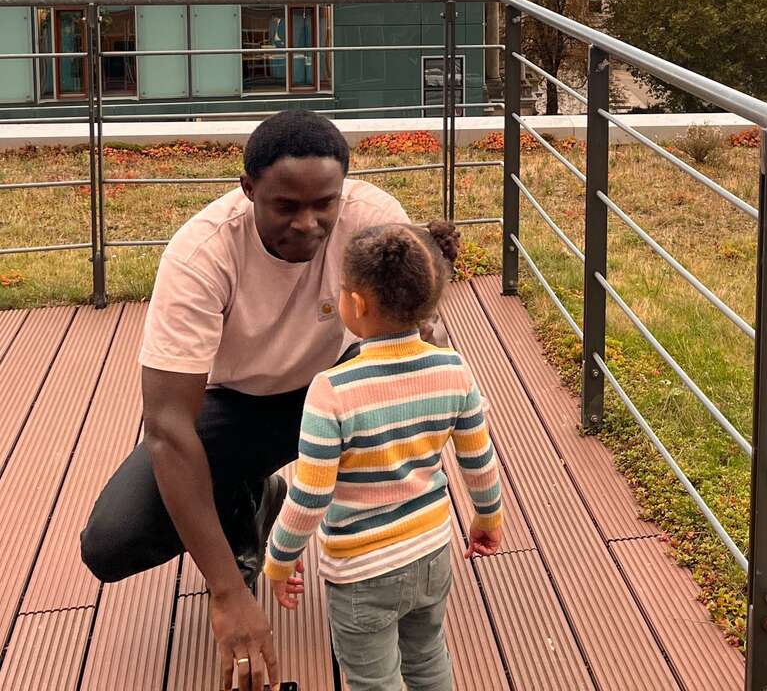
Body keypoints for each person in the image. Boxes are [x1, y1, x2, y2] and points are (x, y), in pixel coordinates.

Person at [80, 111, 415, 691]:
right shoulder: (201, 254)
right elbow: (165, 426)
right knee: (112, 543)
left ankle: (372, 560)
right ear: (248, 189)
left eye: (324, 204)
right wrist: (228, 593)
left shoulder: (374, 221)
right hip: (238, 402)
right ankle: (257, 497)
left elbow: (415, 346)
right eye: (285, 206)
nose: (308, 224)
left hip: (339, 384)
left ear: (344, 191)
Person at [267, 223, 501, 691]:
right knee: (429, 656)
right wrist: (487, 519)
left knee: (374, 681)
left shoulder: (332, 390)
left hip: (361, 572)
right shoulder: (453, 368)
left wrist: (279, 556)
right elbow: (479, 460)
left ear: (356, 304)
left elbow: (311, 495)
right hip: (432, 552)